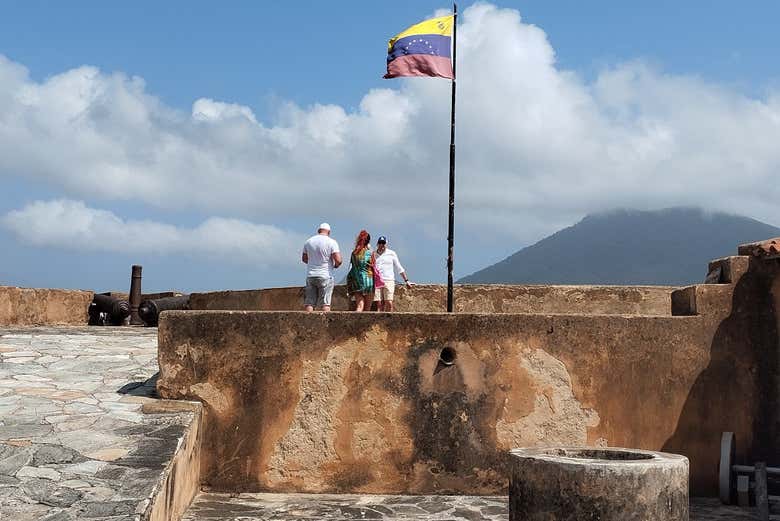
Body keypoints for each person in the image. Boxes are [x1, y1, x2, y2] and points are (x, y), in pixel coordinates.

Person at [301, 223, 342, 312]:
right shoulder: (332, 242)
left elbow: (304, 259)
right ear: (329, 232)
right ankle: (326, 321)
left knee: (310, 303)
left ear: (318, 231)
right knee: (325, 304)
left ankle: (308, 320)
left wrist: (313, 263)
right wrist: (335, 265)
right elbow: (338, 260)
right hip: (325, 275)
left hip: (311, 275)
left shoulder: (308, 241)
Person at [373, 236, 413, 311]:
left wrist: (406, 280)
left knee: (389, 302)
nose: (381, 245)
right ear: (377, 244)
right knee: (379, 303)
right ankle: (379, 318)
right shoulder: (373, 254)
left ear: (386, 244)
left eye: (383, 243)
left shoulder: (391, 253)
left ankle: (388, 318)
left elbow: (399, 267)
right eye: (380, 243)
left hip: (389, 280)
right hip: (377, 281)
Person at [346, 230, 375, 312]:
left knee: (359, 305)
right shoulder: (370, 253)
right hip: (368, 281)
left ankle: (356, 320)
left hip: (356, 281)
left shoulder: (354, 253)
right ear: (368, 241)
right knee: (367, 308)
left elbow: (352, 266)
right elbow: (373, 266)